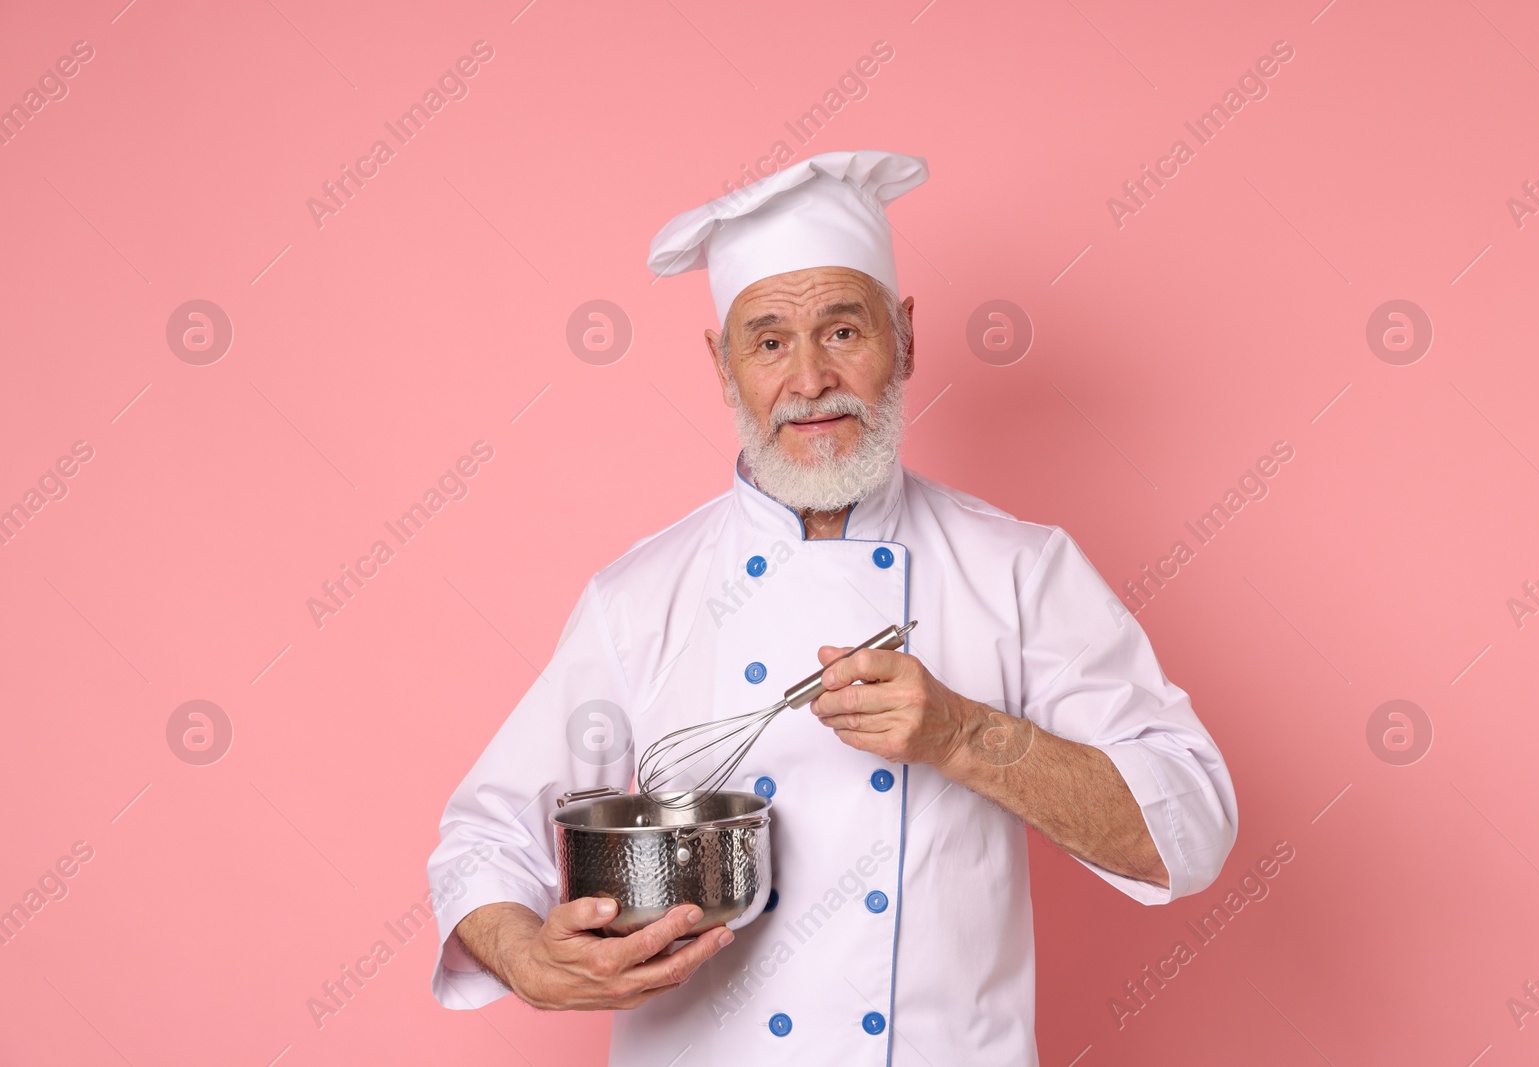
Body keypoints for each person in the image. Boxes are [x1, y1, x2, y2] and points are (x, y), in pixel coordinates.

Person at [426, 149, 1238, 1065]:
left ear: (906, 335)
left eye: (843, 331)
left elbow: (1191, 826)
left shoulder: (1020, 569)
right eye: (769, 341)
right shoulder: (639, 596)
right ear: (721, 364)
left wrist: (967, 736)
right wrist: (527, 954)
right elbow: (485, 839)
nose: (809, 380)